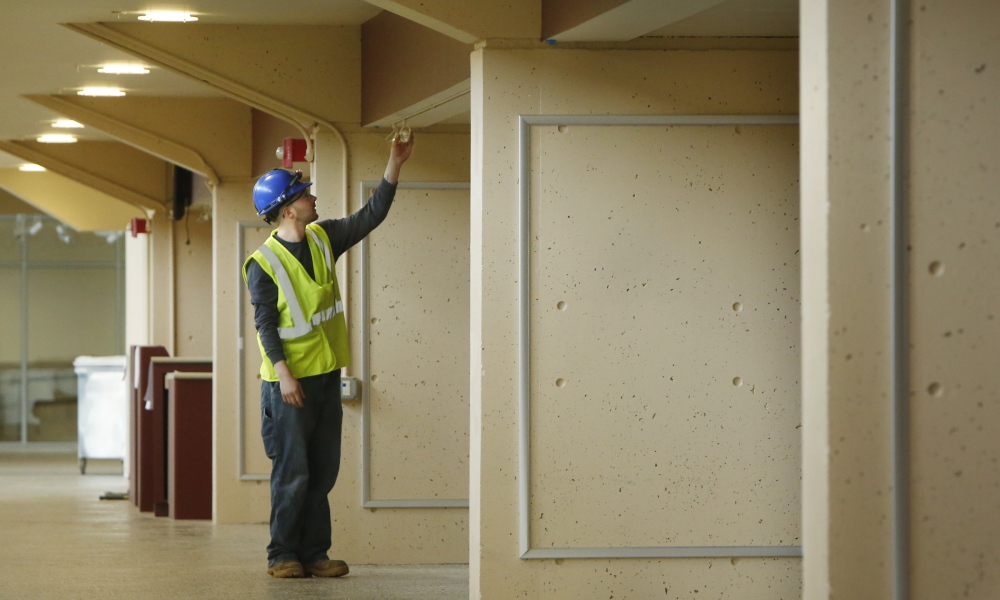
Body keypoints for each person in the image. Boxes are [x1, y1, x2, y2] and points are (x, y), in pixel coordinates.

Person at [242, 134, 414, 578]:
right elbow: (265, 325)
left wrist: (394, 164)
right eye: (304, 194)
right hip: (288, 384)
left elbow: (370, 216)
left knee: (322, 471)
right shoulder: (263, 263)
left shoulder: (322, 238)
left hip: (324, 376)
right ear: (287, 208)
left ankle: (315, 553)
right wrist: (284, 375)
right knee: (293, 471)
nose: (313, 196)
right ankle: (282, 554)